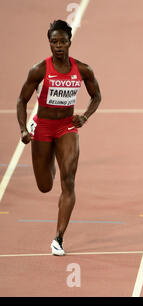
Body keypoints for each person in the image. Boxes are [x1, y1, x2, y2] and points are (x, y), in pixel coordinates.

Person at [16, 20, 101, 255]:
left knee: (69, 179)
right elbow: (21, 100)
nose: (59, 46)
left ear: (70, 42)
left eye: (63, 41)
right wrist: (24, 129)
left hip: (66, 127)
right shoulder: (39, 70)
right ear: (50, 44)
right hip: (42, 128)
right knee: (45, 186)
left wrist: (84, 117)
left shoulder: (82, 69)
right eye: (54, 42)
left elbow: (96, 96)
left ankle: (59, 238)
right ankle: (51, 156)